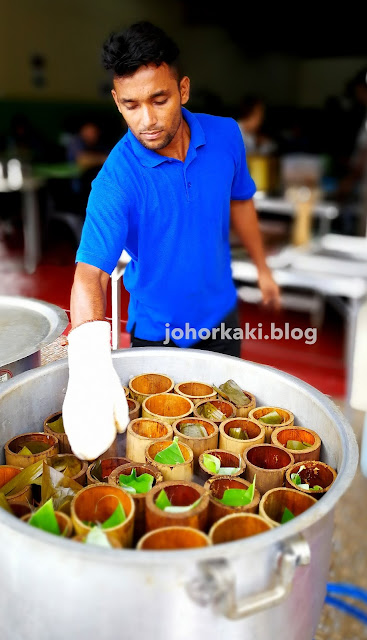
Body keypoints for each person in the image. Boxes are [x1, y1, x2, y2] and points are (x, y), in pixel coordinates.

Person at [62, 22, 281, 461]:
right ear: (116, 103)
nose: (146, 120)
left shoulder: (225, 136)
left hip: (222, 320)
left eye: (159, 100)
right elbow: (89, 274)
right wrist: (88, 359)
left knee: (224, 447)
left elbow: (241, 203)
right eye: (130, 105)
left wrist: (263, 268)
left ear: (183, 89)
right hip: (156, 335)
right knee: (160, 455)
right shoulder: (116, 179)